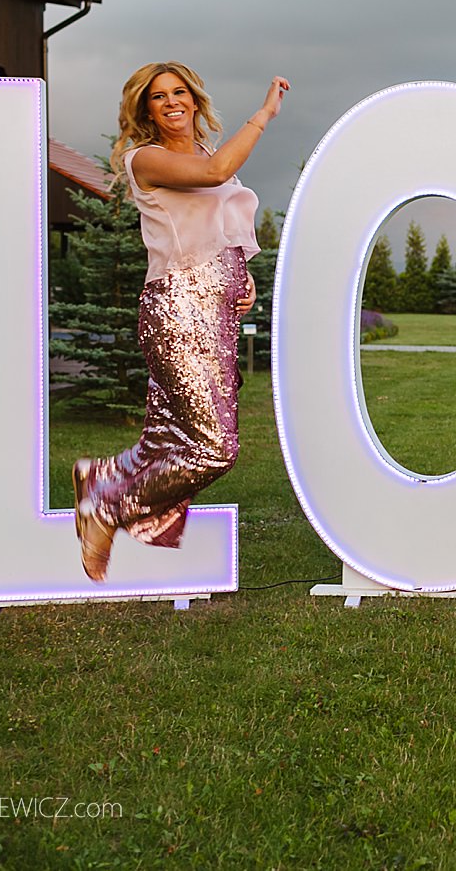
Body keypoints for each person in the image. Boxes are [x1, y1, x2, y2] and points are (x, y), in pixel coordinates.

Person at [71, 62, 289, 581]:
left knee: (171, 437)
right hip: (177, 316)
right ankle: (108, 507)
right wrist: (264, 114)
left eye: (179, 92)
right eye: (157, 96)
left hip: (214, 318)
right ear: (145, 109)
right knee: (214, 448)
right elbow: (213, 182)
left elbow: (215, 226)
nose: (171, 102)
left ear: (193, 99)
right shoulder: (146, 159)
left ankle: (105, 476)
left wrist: (240, 276)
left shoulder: (209, 154)